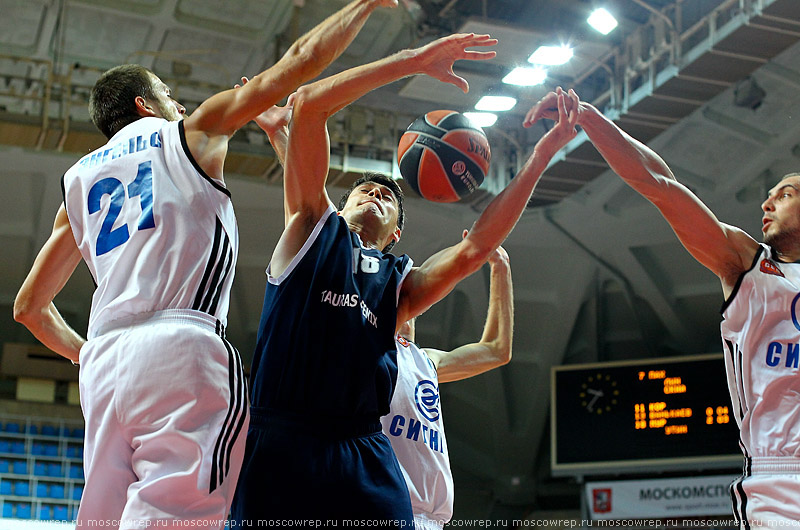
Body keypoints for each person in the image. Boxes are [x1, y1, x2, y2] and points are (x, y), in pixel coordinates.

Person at [12, 1, 400, 527]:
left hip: (103, 364)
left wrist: (88, 355)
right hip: (180, 347)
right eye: (167, 94)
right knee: (184, 518)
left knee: (102, 517)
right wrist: (365, 7)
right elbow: (303, 60)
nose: (178, 102)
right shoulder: (190, 133)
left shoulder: (76, 185)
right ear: (145, 105)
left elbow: (30, 308)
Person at [231, 33, 577, 525]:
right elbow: (307, 104)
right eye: (363, 190)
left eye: (387, 197)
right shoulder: (311, 230)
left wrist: (541, 156)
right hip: (285, 435)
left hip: (362, 448)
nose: (374, 193)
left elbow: (476, 247)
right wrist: (413, 61)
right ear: (340, 203)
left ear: (396, 233)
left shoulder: (399, 284)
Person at [525, 87, 800, 526]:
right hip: (783, 479)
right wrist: (592, 121)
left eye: (783, 194)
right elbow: (660, 186)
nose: (766, 202)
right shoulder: (747, 265)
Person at [383, 242, 513, 530]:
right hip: (387, 510)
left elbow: (496, 350)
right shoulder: (367, 347)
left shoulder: (425, 361)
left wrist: (499, 266)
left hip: (433, 520)